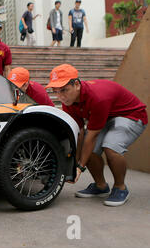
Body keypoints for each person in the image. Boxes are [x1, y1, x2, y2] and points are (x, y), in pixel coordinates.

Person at [46, 64, 147, 206]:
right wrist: (75, 163)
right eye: (55, 91)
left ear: (76, 84)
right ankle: (101, 186)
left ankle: (120, 188)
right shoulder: (68, 101)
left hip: (132, 116)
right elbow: (79, 132)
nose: (60, 96)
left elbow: (91, 137)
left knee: (110, 146)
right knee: (91, 152)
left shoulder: (98, 97)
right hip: (107, 118)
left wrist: (80, 167)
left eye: (64, 90)